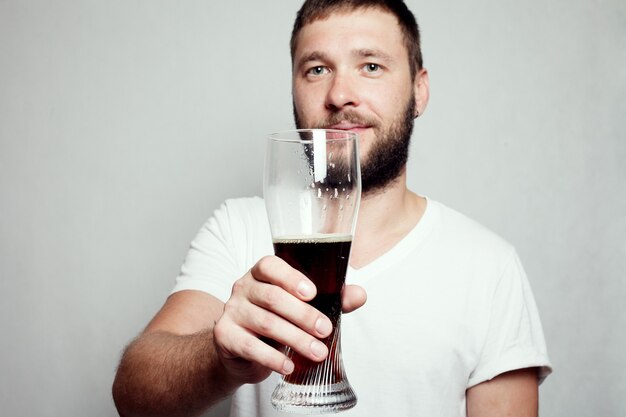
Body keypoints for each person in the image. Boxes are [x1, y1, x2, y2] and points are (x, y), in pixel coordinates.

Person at [112, 1, 552, 416]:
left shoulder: (490, 265)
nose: (340, 94)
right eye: (317, 69)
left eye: (371, 66)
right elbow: (133, 395)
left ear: (419, 91)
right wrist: (219, 358)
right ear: (293, 89)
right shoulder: (238, 227)